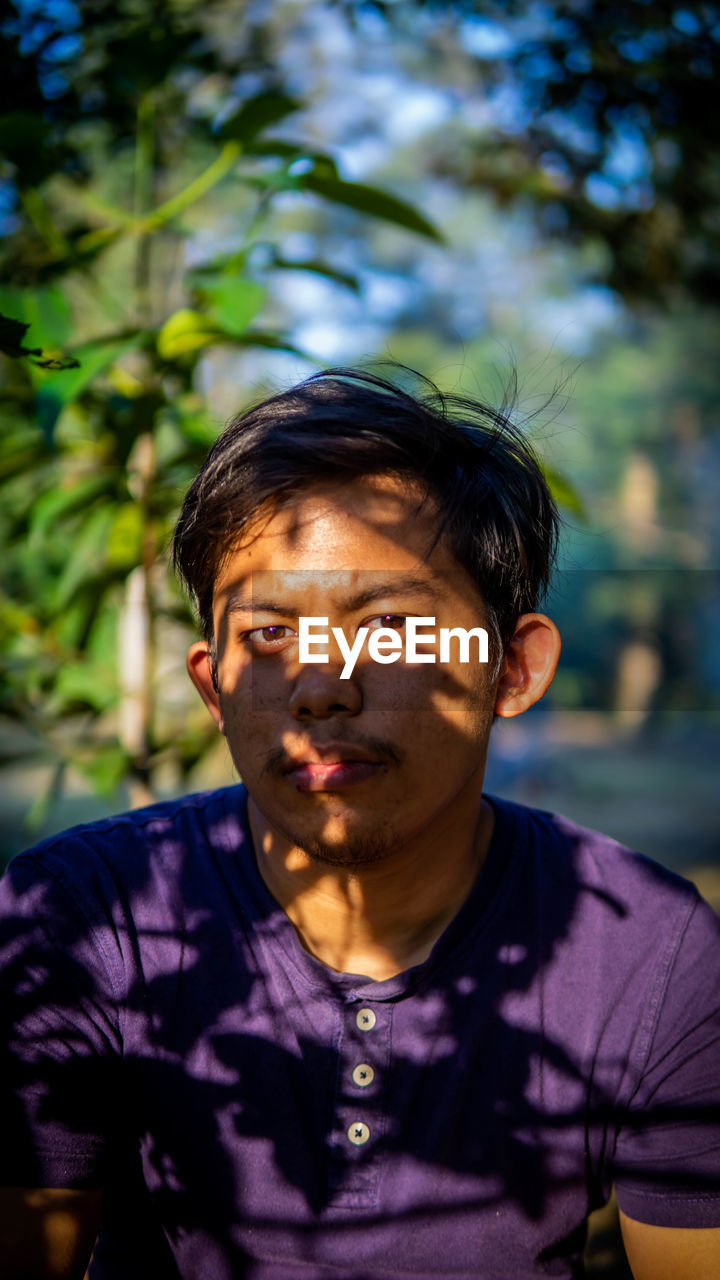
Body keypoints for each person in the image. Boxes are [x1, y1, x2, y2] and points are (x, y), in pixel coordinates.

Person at [1, 368, 719, 1280]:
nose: (320, 687)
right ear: (212, 686)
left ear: (513, 669)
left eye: (388, 626)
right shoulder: (83, 922)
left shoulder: (653, 957)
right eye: (265, 635)